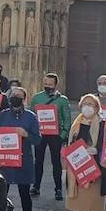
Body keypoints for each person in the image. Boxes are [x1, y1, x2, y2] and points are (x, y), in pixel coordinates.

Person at [0, 86, 38, 211]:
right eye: (13, 95)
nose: (16, 98)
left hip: (23, 162)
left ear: (24, 99)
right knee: (0, 195)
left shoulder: (31, 117)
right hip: (5, 162)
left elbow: (37, 139)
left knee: (25, 195)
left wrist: (25, 134)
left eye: (19, 96)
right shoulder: (3, 116)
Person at [64, 94, 105, 211]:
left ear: (97, 107)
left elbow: (105, 145)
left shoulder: (102, 124)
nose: (87, 107)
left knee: (95, 208)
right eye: (85, 104)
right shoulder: (77, 123)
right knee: (78, 206)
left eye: (91, 104)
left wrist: (96, 150)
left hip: (94, 172)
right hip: (77, 170)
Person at [30, 73, 72, 201]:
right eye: (45, 83)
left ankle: (58, 188)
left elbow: (67, 119)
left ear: (55, 85)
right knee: (38, 161)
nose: (47, 86)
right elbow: (32, 116)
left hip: (55, 135)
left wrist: (63, 135)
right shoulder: (37, 98)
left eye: (50, 84)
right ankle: (36, 186)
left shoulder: (62, 100)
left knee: (56, 162)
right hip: (41, 134)